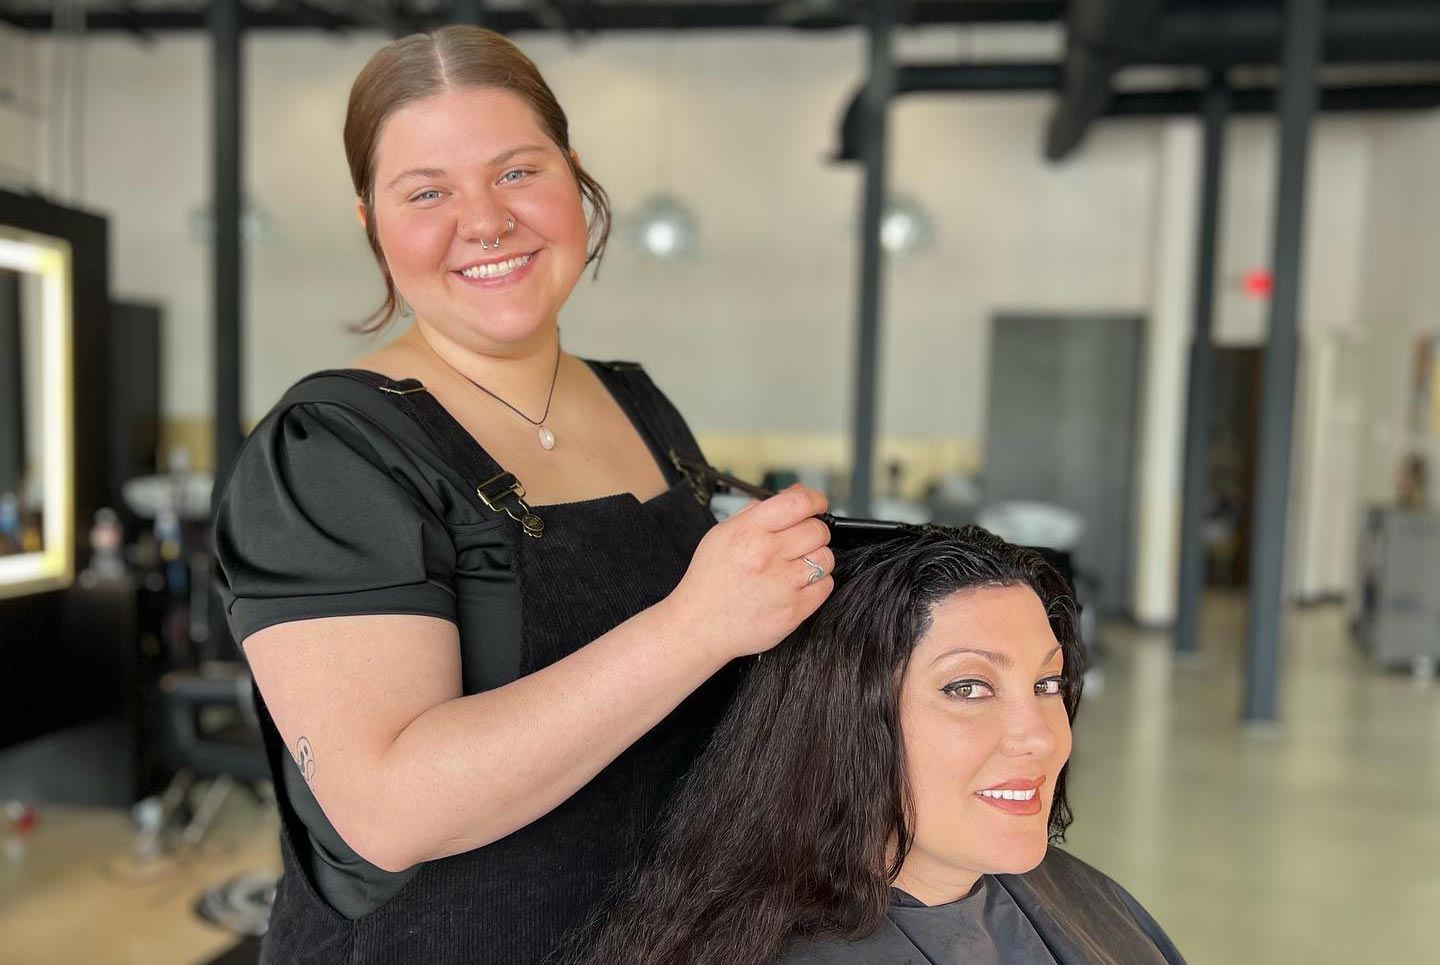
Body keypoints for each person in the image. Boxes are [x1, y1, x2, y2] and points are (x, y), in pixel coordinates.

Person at [213, 26, 834, 965]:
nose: (487, 220)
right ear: (371, 224)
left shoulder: (637, 402)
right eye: (426, 192)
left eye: (516, 171)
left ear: (575, 179)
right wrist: (698, 623)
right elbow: (387, 807)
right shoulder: (331, 450)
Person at [581, 527, 1187, 965]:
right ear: (840, 719)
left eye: (1047, 683)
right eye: (969, 687)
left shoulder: (1082, 898)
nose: (1040, 734)